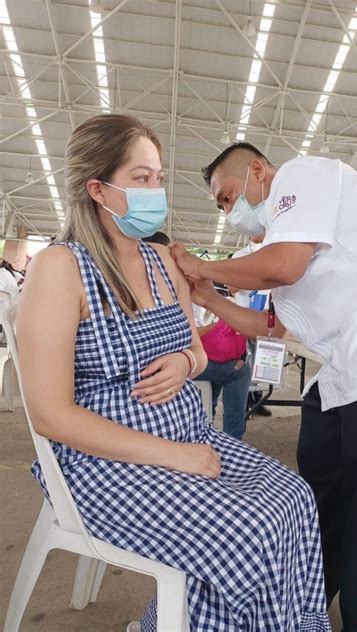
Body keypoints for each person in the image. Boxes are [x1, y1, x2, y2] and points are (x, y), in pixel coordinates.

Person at [16, 117, 330, 632]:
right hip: (105, 463)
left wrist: (185, 362)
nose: (155, 192)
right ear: (98, 189)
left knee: (295, 498)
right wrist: (176, 456)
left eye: (158, 178)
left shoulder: (164, 260)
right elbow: (51, 415)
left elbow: (198, 356)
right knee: (246, 532)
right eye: (141, 179)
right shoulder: (60, 267)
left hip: (188, 434)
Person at [170, 142, 357, 631]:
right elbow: (271, 326)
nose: (230, 213)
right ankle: (309, 596)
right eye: (223, 207)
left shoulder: (303, 177)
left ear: (256, 171)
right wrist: (207, 294)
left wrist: (203, 267)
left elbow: (285, 264)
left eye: (228, 197)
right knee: (323, 465)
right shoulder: (271, 242)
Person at [230, 235, 273, 417]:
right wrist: (251, 278)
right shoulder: (240, 256)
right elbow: (231, 288)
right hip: (244, 318)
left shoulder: (274, 253)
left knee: (262, 362)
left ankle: (258, 400)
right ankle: (243, 402)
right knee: (243, 362)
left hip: (267, 319)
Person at [194, 313, 251, 440]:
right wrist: (213, 325)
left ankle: (209, 423)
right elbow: (186, 336)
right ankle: (233, 439)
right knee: (240, 372)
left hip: (200, 357)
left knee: (227, 368)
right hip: (187, 361)